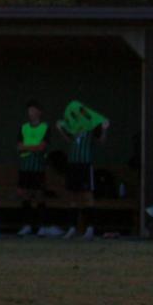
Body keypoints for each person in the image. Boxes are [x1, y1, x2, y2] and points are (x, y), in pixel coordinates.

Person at [58, 100, 110, 240]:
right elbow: (70, 141)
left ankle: (90, 228)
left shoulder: (91, 126)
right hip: (73, 164)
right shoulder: (73, 127)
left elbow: (101, 142)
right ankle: (72, 228)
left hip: (85, 165)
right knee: (73, 196)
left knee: (87, 196)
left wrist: (104, 129)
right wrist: (61, 130)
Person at [15, 100, 51, 236]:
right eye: (29, 110)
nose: (31, 113)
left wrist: (27, 147)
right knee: (25, 195)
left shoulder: (45, 127)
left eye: (33, 110)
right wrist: (32, 148)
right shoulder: (23, 127)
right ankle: (27, 225)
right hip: (25, 167)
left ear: (39, 112)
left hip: (38, 167)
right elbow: (18, 147)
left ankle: (41, 226)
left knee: (39, 196)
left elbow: (42, 147)